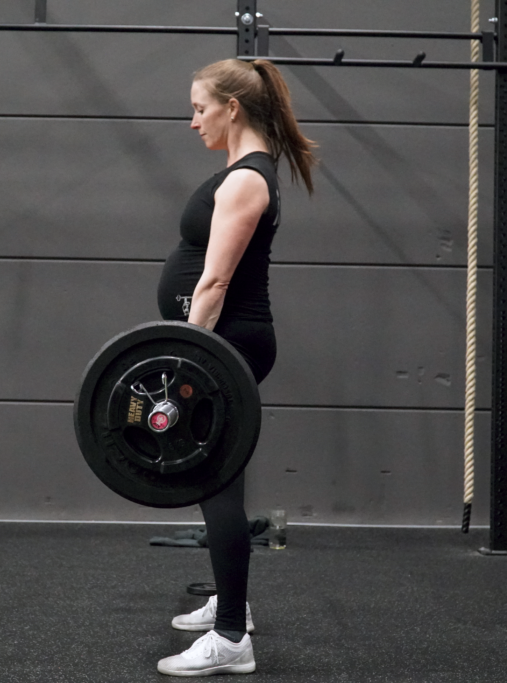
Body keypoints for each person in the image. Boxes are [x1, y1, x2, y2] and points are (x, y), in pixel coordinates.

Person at [154, 58, 316, 677]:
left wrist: (191, 354)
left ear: (233, 108)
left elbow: (215, 281)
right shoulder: (241, 171)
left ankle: (230, 639)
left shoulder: (249, 179)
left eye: (200, 108)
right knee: (219, 476)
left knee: (215, 478)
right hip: (224, 342)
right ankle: (233, 605)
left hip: (229, 342)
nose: (192, 120)